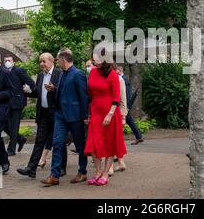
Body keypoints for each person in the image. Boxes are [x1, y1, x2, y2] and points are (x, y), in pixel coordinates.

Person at [41, 48, 89, 186]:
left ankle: (82, 172)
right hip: (60, 115)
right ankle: (54, 175)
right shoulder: (62, 74)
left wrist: (85, 116)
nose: (56, 62)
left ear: (63, 60)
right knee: (57, 143)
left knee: (80, 146)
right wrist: (53, 89)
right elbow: (64, 91)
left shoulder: (78, 74)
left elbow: (84, 97)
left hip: (75, 116)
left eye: (57, 60)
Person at [17, 53, 67, 178]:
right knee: (39, 140)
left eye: (44, 61)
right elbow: (38, 93)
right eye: (40, 61)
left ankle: (61, 168)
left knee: (58, 141)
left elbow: (64, 92)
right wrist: (29, 92)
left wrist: (54, 89)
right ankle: (31, 168)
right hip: (43, 113)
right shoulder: (40, 75)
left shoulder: (59, 73)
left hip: (56, 112)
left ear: (51, 62)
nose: (41, 64)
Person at [84, 48, 127, 186]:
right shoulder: (92, 72)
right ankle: (97, 172)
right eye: (94, 57)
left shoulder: (113, 75)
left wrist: (110, 114)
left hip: (110, 112)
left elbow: (116, 97)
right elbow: (89, 94)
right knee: (93, 143)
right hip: (95, 111)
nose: (95, 60)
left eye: (97, 58)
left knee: (109, 143)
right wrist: (89, 113)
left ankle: (105, 174)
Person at [3, 54, 35, 156]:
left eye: (9, 60)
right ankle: (20, 139)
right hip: (6, 102)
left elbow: (31, 82)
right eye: (5, 61)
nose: (7, 62)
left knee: (14, 126)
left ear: (13, 62)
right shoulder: (3, 72)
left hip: (17, 102)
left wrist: (27, 92)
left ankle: (11, 149)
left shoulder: (19, 70)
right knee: (3, 124)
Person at [116, 65, 144, 145]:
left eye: (116, 70)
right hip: (125, 105)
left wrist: (127, 106)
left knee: (127, 121)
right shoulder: (123, 79)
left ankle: (137, 137)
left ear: (119, 70)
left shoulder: (124, 80)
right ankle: (139, 137)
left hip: (125, 106)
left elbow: (127, 94)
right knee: (129, 121)